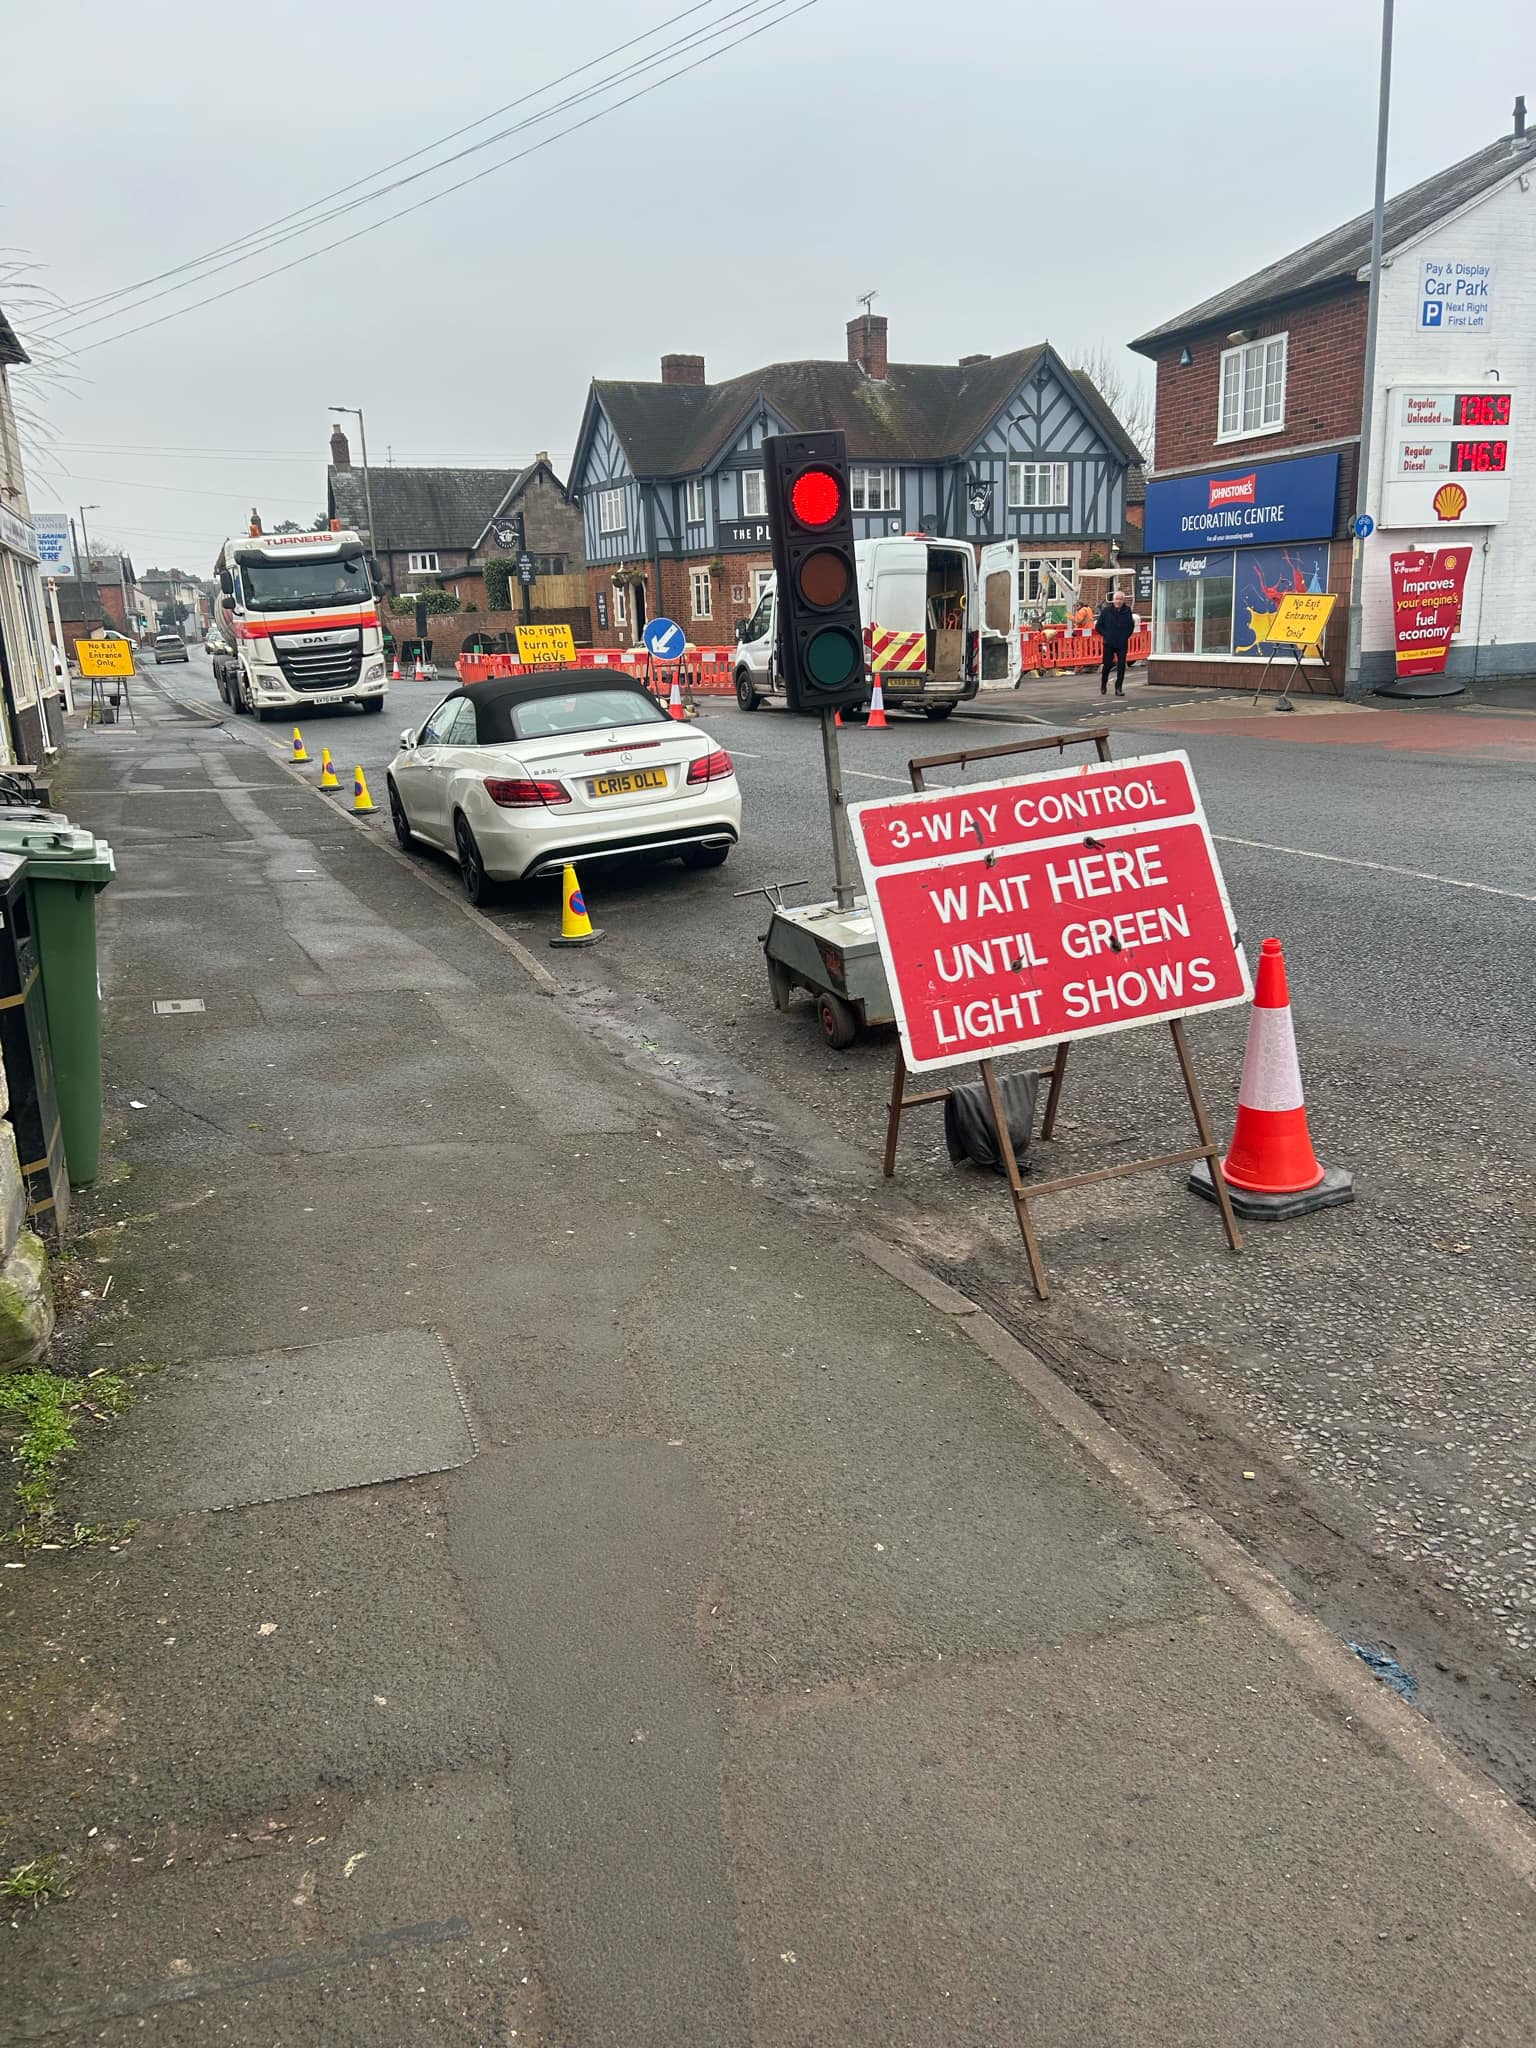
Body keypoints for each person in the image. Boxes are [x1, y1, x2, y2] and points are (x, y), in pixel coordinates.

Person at [1095, 589, 1135, 695]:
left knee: (1121, 665)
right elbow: (1098, 626)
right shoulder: (1106, 611)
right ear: (1113, 600)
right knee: (1107, 665)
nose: (1119, 601)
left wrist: (1125, 636)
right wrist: (1106, 635)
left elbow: (1131, 626)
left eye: (1121, 599)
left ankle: (1118, 688)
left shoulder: (1127, 611)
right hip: (1109, 643)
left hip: (1122, 643)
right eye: (1117, 599)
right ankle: (1103, 684)